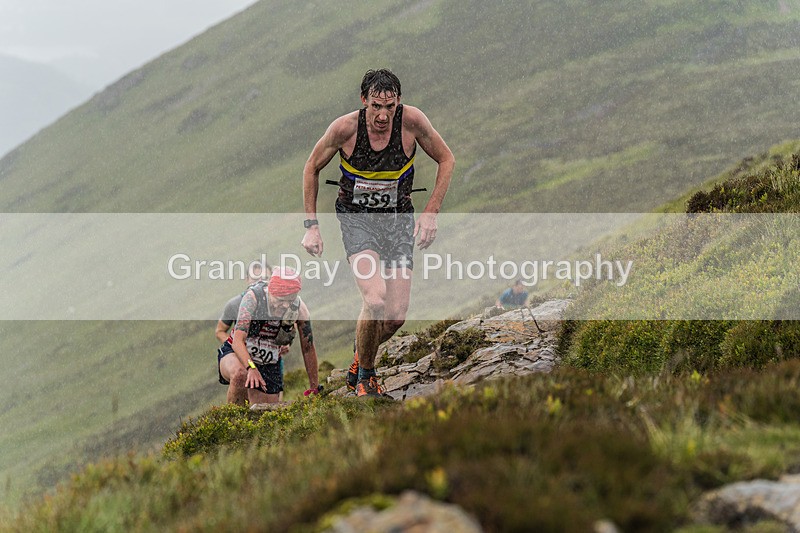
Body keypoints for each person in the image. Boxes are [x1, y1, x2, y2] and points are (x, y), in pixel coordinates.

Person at [301, 68, 455, 397]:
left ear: (399, 102)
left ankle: (360, 359)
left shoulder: (412, 122)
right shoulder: (345, 129)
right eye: (376, 106)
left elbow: (447, 159)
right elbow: (311, 166)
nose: (383, 115)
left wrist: (431, 213)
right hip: (357, 220)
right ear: (363, 101)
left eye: (389, 107)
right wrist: (311, 226)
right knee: (375, 299)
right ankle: (367, 378)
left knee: (395, 317)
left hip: (398, 221)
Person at [223, 267, 319, 405]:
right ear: (271, 291)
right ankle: (232, 418)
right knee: (240, 374)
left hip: (268, 361)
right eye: (280, 300)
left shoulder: (299, 309)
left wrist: (314, 387)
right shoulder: (253, 298)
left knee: (265, 410)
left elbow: (308, 348)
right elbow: (238, 341)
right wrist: (251, 367)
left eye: (290, 300)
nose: (285, 305)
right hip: (237, 352)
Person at [216, 261, 273, 404]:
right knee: (240, 375)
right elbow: (220, 331)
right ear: (247, 279)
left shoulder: (276, 301)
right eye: (255, 278)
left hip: (266, 353)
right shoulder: (234, 304)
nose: (259, 282)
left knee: (267, 403)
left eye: (265, 278)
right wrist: (236, 345)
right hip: (240, 351)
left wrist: (285, 345)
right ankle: (234, 415)